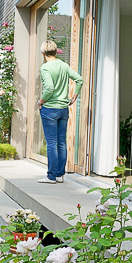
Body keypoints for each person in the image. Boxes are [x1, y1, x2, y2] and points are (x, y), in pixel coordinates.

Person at [38, 40, 83, 184]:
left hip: (50, 109)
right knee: (61, 143)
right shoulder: (64, 65)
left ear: (43, 53)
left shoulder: (45, 68)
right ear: (56, 52)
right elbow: (79, 80)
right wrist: (75, 95)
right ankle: (59, 175)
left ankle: (51, 176)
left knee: (51, 143)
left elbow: (49, 88)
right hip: (63, 109)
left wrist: (41, 101)